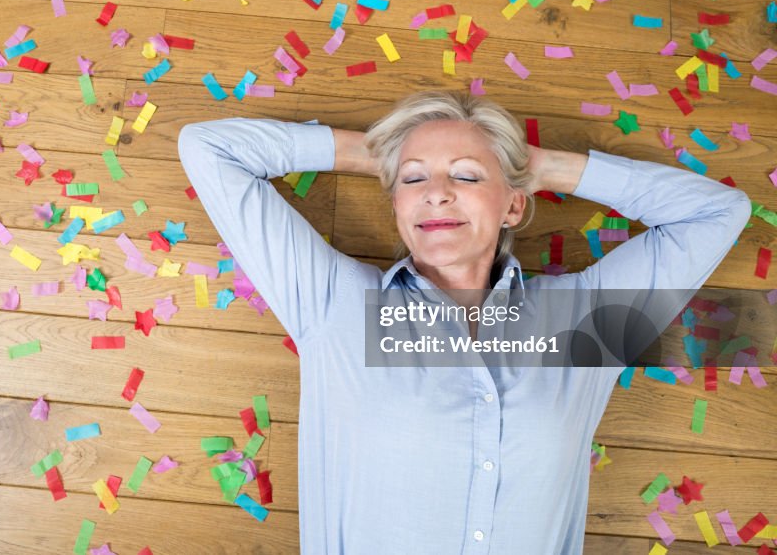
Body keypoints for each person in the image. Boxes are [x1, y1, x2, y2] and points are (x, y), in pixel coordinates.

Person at [177, 89, 751, 554]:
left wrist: (538, 167)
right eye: (414, 179)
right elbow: (210, 148)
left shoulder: (581, 323)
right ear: (396, 203)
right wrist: (375, 155)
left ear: (513, 205)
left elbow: (717, 212)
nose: (438, 194)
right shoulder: (339, 305)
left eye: (469, 177)